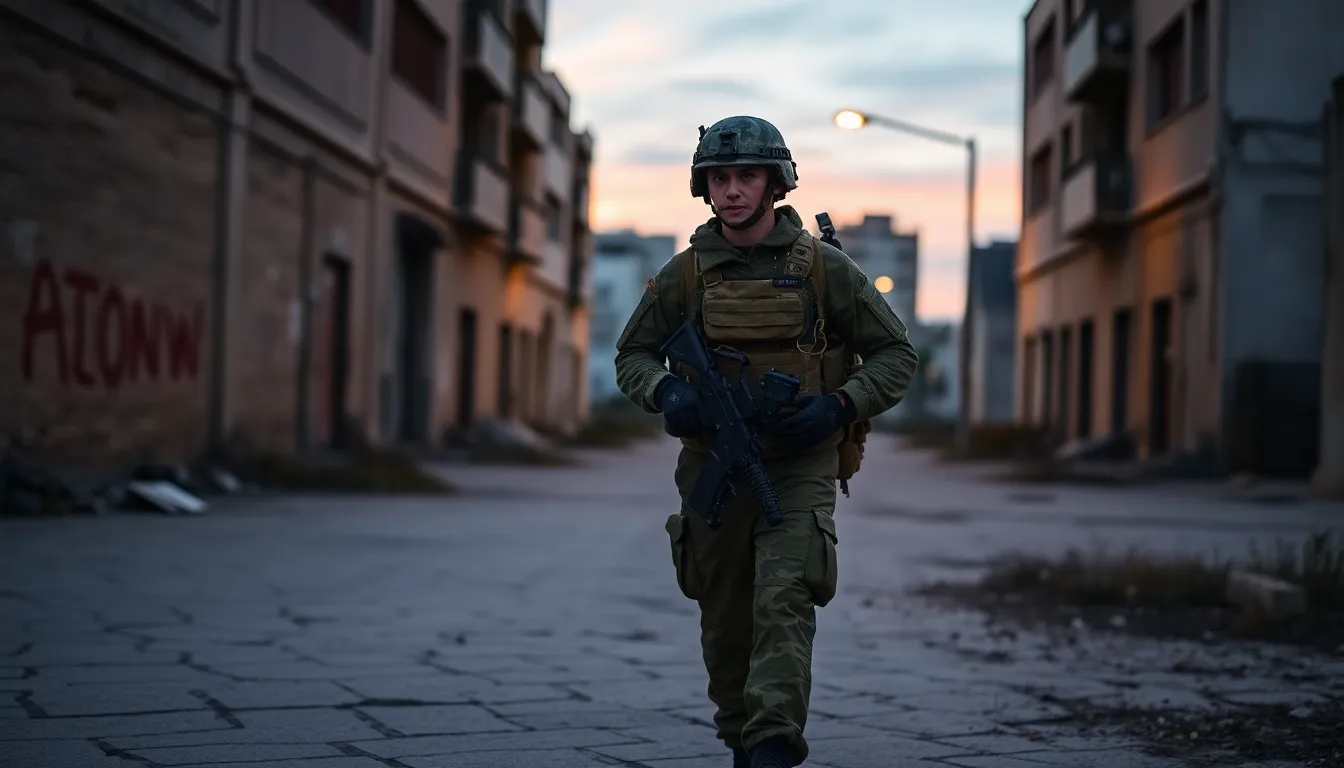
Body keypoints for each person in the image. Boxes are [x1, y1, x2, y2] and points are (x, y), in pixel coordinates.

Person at [613, 115, 920, 768]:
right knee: (725, 624)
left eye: (746, 175)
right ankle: (741, 739)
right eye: (719, 178)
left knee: (784, 605)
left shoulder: (823, 269)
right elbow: (633, 355)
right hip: (711, 469)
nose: (731, 190)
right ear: (704, 187)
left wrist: (841, 404)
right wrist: (668, 395)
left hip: (797, 466)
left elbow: (896, 355)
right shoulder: (684, 275)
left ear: (775, 182)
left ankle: (772, 746)